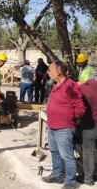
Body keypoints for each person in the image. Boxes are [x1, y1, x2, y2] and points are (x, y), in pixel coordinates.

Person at [42, 60, 86, 189]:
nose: (48, 72)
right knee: (54, 151)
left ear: (58, 72)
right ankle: (57, 175)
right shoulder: (55, 84)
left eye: (50, 70)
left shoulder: (70, 86)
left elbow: (80, 109)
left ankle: (70, 182)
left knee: (67, 155)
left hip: (64, 128)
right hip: (52, 125)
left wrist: (74, 120)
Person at [77, 79, 97, 186]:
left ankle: (88, 179)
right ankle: (94, 172)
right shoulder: (93, 82)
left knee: (88, 152)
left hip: (90, 126)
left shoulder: (80, 90)